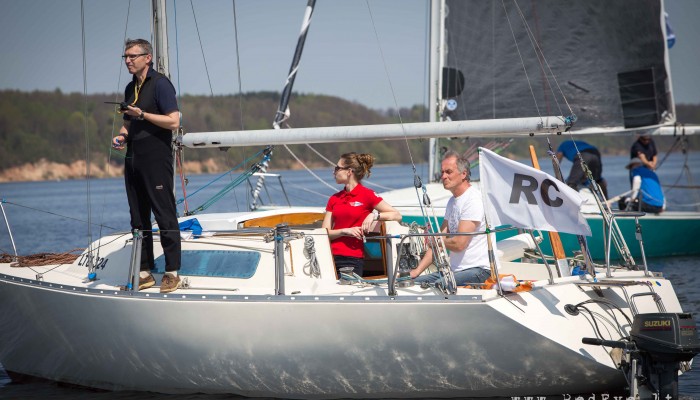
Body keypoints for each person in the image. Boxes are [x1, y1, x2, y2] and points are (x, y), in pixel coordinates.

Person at [111, 38, 182, 293]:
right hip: (133, 158)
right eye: (126, 57)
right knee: (137, 216)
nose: (128, 61)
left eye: (133, 56)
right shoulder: (130, 87)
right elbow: (128, 123)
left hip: (156, 158)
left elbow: (173, 121)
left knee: (164, 213)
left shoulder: (161, 84)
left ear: (147, 58)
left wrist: (142, 114)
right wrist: (122, 136)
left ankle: (172, 272)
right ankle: (144, 272)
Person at [409, 151, 490, 286]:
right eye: (442, 172)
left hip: (479, 270)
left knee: (440, 284)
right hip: (455, 271)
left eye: (448, 172)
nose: (443, 176)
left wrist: (437, 240)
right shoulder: (452, 202)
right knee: (412, 282)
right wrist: (416, 272)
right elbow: (439, 241)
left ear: (463, 174)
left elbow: (459, 244)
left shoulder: (473, 200)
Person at [322, 153, 401, 277]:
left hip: (352, 259)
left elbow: (397, 215)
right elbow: (324, 233)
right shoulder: (334, 199)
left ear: (349, 171)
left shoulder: (367, 195)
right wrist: (344, 231)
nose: (334, 172)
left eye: (337, 168)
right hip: (328, 257)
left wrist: (374, 216)